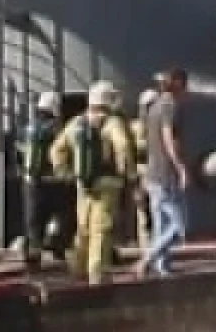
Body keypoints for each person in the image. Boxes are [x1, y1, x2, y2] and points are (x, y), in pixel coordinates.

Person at [49, 81, 134, 285]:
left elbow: (56, 149)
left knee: (83, 227)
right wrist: (128, 173)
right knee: (101, 229)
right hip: (107, 183)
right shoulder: (112, 122)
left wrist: (65, 172)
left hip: (83, 183)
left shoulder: (77, 122)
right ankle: (98, 274)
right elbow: (122, 146)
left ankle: (78, 268)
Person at [136, 69, 195, 279]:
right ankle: (148, 259)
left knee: (160, 224)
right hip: (165, 175)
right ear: (179, 85)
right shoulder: (170, 106)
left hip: (152, 174)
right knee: (180, 227)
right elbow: (168, 139)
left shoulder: (154, 107)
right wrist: (181, 168)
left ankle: (162, 266)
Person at [19, 91, 69, 269]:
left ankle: (32, 258)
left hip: (30, 181)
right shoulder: (56, 128)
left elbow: (21, 150)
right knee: (60, 214)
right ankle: (57, 247)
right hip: (53, 180)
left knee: (33, 221)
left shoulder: (28, 128)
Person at [129, 87, 158, 250]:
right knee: (144, 214)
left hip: (158, 174)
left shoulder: (163, 127)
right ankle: (147, 250)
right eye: (149, 106)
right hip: (142, 172)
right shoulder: (134, 128)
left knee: (157, 213)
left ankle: (157, 250)